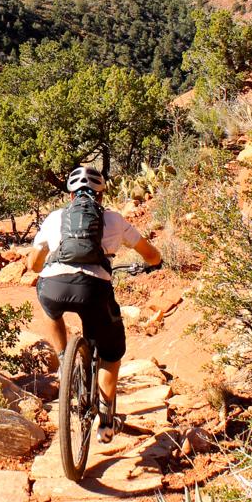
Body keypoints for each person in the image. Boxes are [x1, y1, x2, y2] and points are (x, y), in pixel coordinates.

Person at [29, 165, 161, 439]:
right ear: (101, 195)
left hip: (54, 286)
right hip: (94, 290)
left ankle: (65, 359)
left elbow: (33, 264)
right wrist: (156, 263)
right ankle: (106, 420)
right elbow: (151, 255)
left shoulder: (55, 218)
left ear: (71, 196)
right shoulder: (114, 220)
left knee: (49, 307)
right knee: (111, 354)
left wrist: (47, 261)